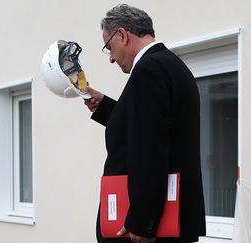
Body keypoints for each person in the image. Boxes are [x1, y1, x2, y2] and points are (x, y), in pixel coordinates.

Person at [85, 4, 206, 243]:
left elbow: (150, 148)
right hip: (173, 223)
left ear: (122, 34)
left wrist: (142, 221)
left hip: (150, 232)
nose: (110, 57)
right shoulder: (171, 65)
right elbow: (152, 127)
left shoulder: (148, 70)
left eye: (109, 47)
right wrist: (108, 107)